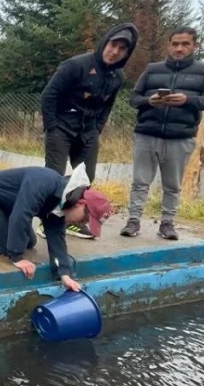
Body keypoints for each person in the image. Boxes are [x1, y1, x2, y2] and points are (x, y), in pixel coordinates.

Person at [40, 23, 138, 240]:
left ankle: (70, 220)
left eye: (122, 49)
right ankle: (48, 220)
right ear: (106, 42)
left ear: (127, 53)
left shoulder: (118, 77)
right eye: (113, 45)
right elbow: (49, 95)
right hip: (62, 127)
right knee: (54, 177)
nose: (115, 52)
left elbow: (108, 105)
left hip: (89, 131)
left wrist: (98, 127)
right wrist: (52, 126)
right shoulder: (76, 65)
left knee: (84, 179)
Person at [121, 27, 204, 240]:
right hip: (147, 133)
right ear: (169, 45)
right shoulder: (152, 69)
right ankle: (134, 220)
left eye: (185, 44)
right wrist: (150, 100)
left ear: (195, 46)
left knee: (172, 185)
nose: (179, 48)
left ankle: (167, 223)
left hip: (180, 137)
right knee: (140, 181)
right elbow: (133, 98)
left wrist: (188, 100)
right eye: (175, 44)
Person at [0, 164, 113, 292]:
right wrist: (17, 257)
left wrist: (64, 273)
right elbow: (21, 214)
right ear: (82, 204)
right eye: (85, 219)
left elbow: (56, 237)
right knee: (7, 246)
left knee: (28, 243)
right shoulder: (44, 182)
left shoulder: (63, 201)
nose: (82, 223)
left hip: (9, 206)